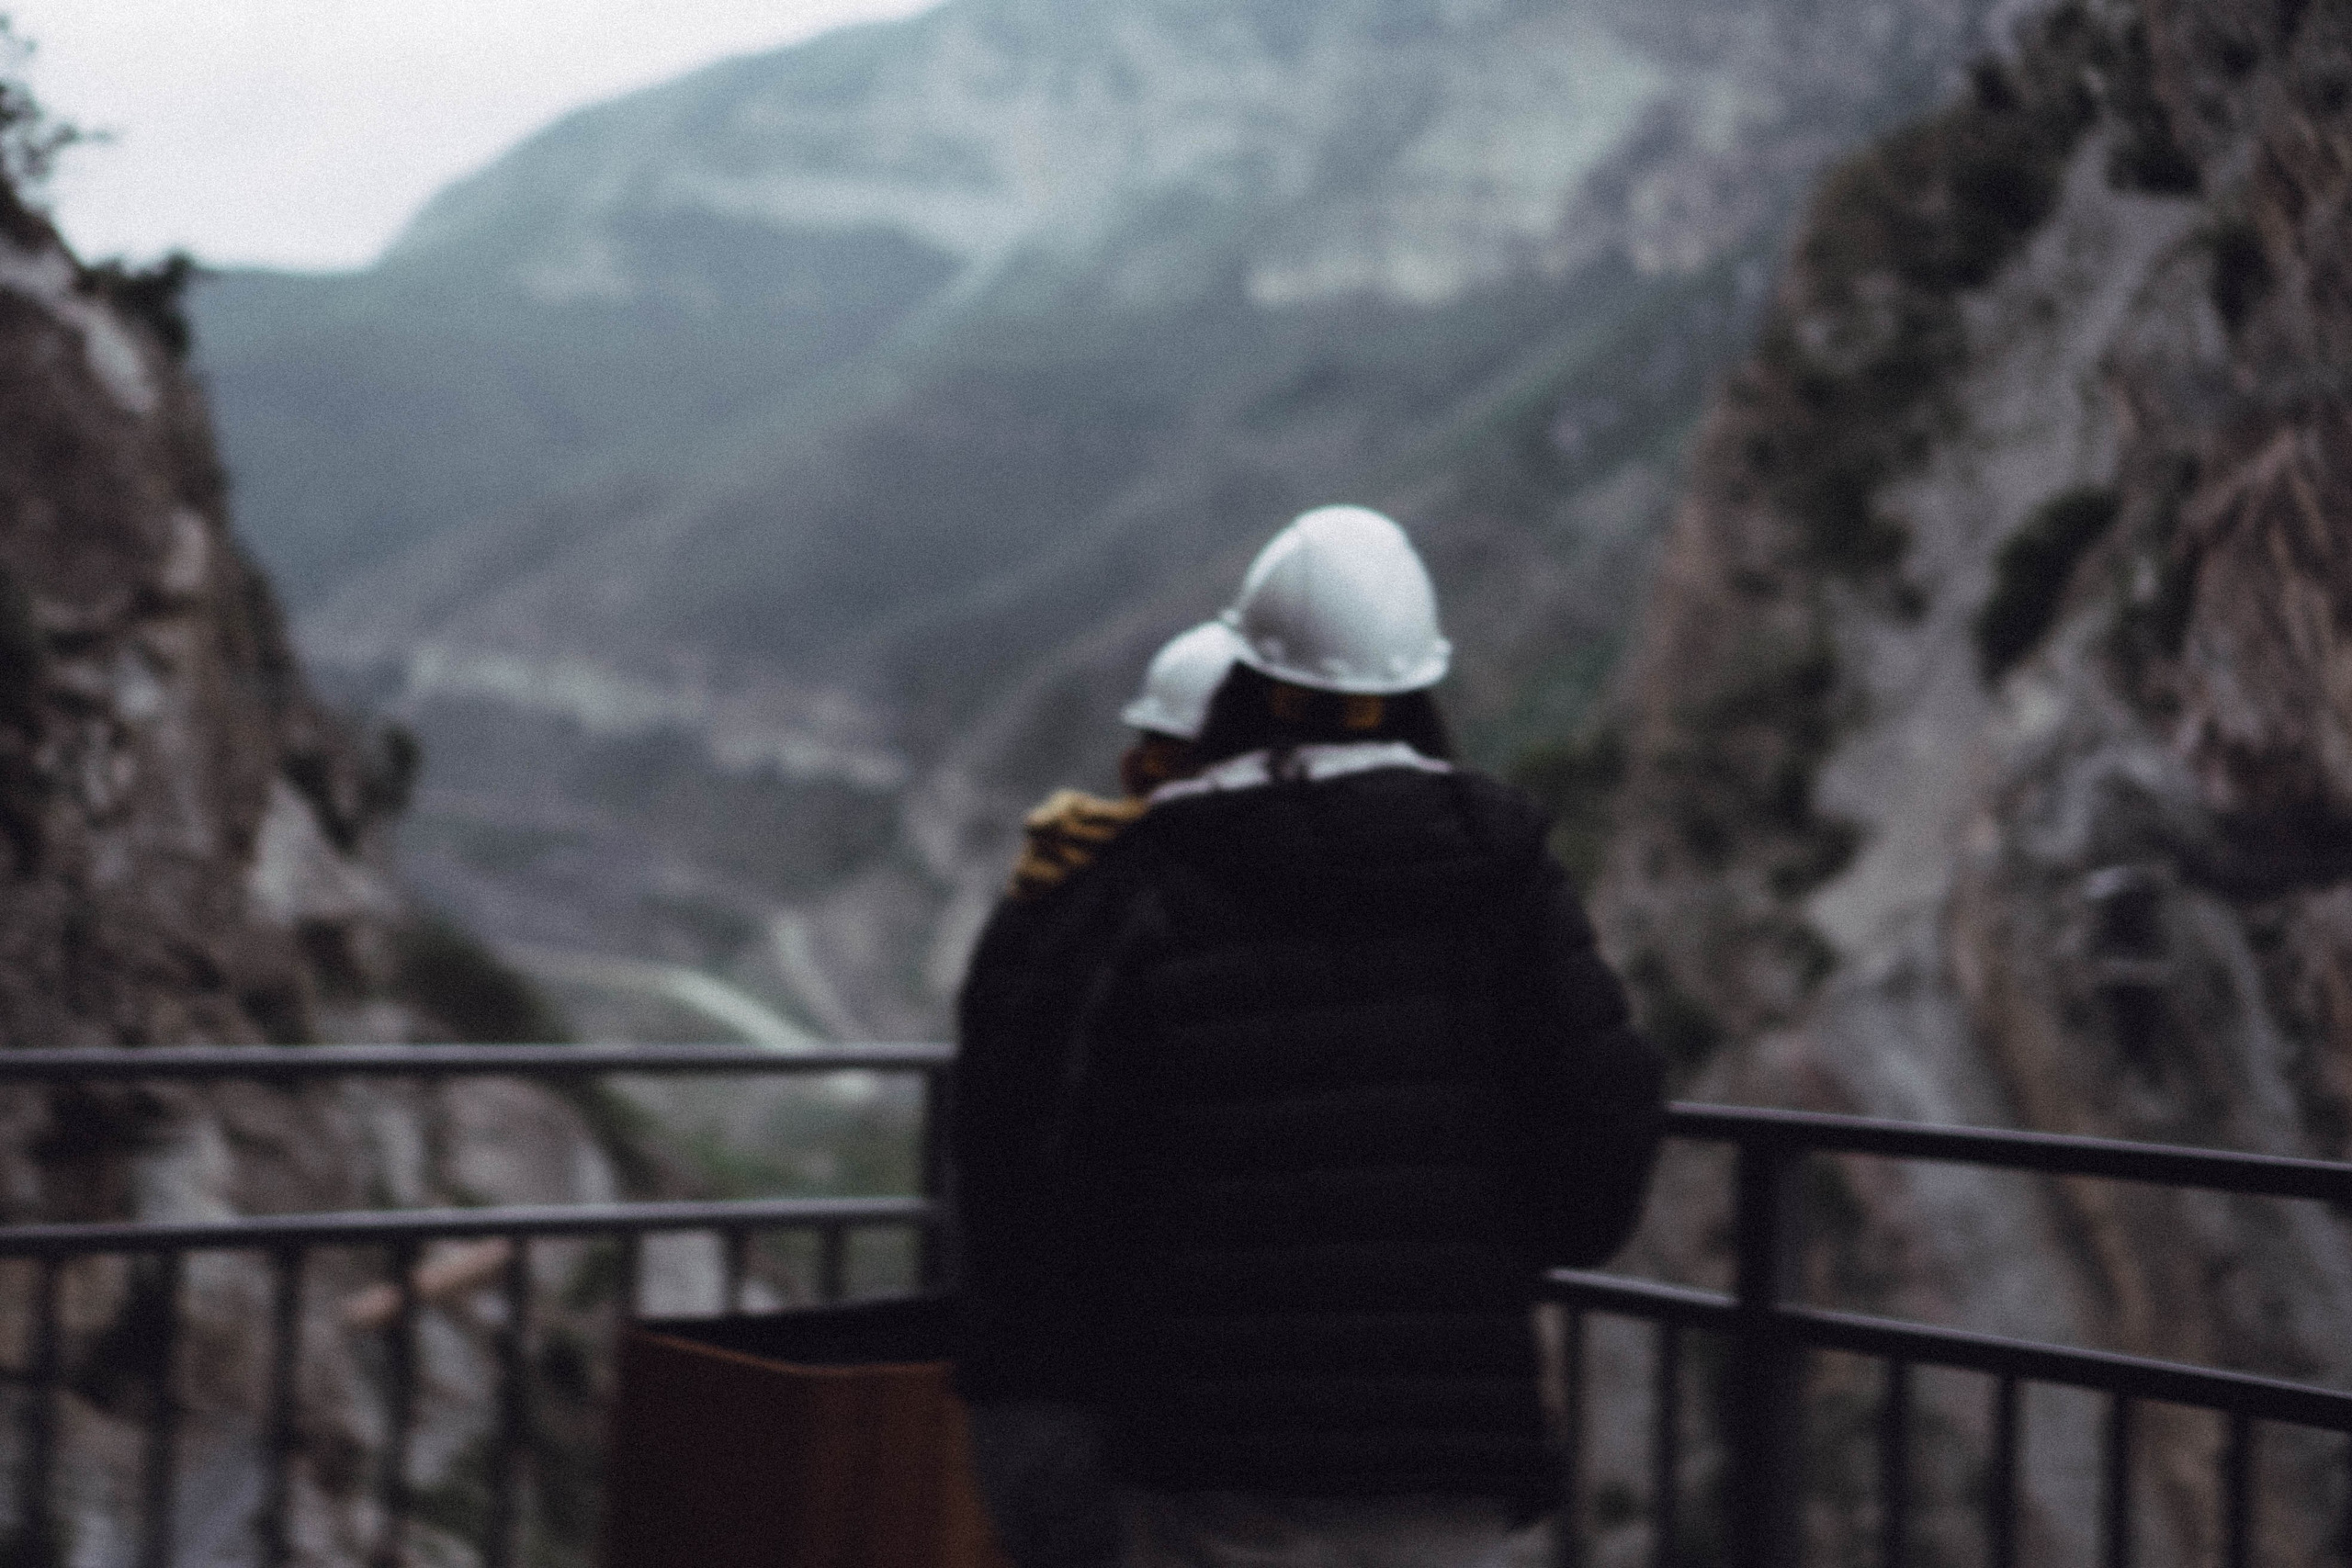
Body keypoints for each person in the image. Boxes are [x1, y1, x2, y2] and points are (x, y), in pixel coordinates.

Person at [953, 505, 1665, 1568]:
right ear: (1416, 685)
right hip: (1447, 1448)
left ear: (1244, 681)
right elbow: (1594, 1160)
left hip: (1217, 1451)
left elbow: (1078, 1169)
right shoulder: (1507, 871)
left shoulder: (1154, 879)